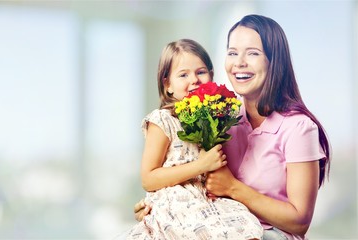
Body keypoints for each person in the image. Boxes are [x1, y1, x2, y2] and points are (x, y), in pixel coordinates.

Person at [133, 15, 331, 240]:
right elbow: (192, 179)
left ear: (274, 61)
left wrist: (232, 188)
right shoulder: (220, 119)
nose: (239, 62)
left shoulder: (299, 128)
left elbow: (299, 222)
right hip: (215, 227)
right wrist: (161, 210)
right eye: (233, 52)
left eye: (253, 53)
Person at [126, 39, 263, 240]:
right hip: (177, 202)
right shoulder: (163, 120)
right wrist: (201, 165)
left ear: (212, 75)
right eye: (183, 74)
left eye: (200, 72)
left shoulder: (214, 118)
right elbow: (148, 179)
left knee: (248, 226)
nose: (194, 80)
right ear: (167, 85)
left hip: (207, 201)